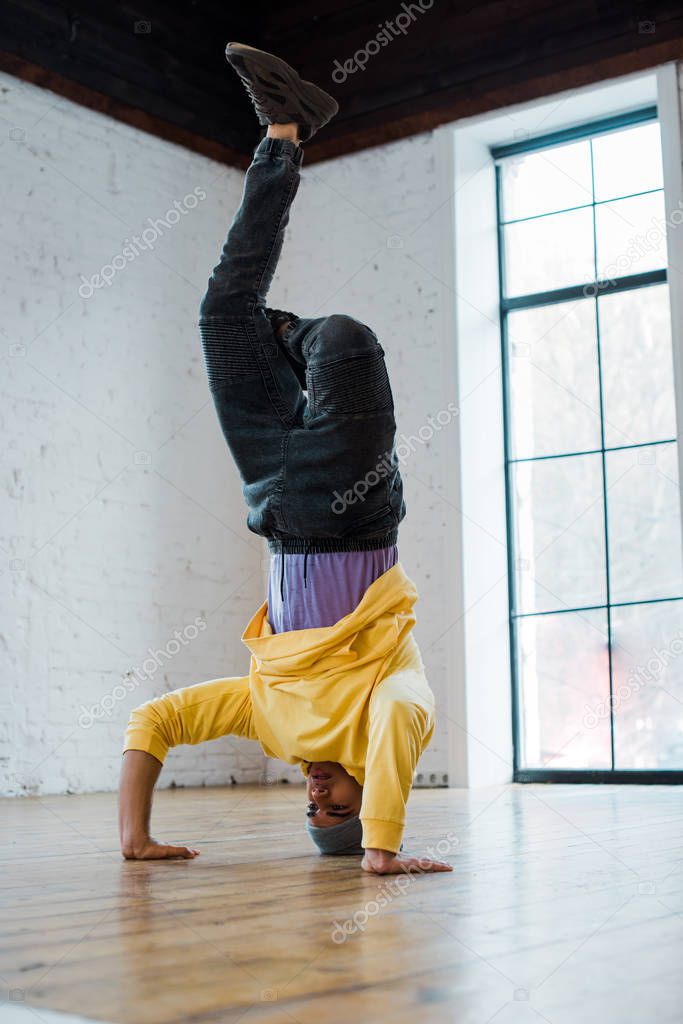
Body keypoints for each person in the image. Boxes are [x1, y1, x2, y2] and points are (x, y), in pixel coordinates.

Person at [118, 43, 452, 876]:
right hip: (351, 506)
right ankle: (293, 336)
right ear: (366, 788)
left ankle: (286, 129)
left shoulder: (271, 725)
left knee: (220, 313)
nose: (315, 793)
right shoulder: (387, 712)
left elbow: (151, 721)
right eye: (333, 805)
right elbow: (404, 730)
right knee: (342, 338)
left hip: (272, 501)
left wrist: (135, 839)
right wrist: (378, 848)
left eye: (312, 810)